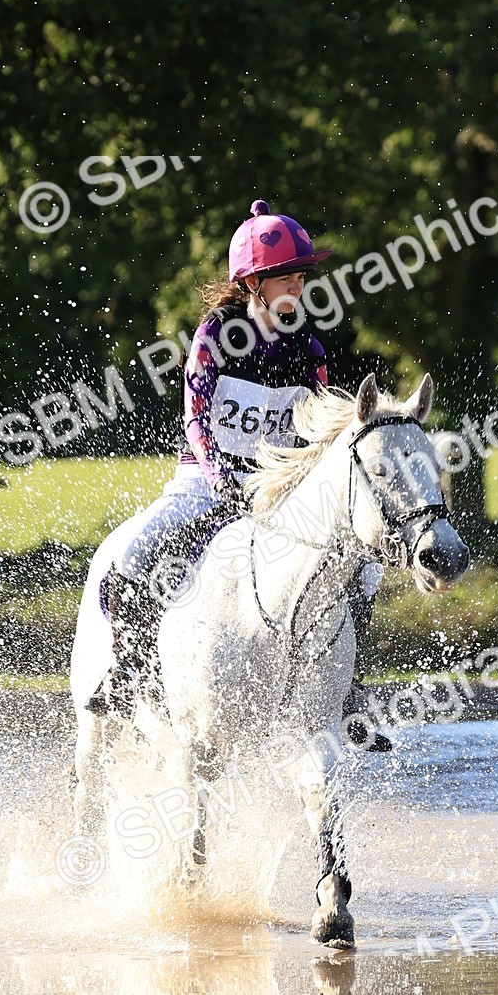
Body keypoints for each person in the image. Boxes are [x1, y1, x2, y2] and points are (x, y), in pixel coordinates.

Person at [89, 199, 390, 748]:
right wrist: (220, 477)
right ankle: (128, 674)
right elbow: (195, 419)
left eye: (300, 276)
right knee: (133, 560)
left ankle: (349, 696)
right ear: (253, 283)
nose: (297, 288)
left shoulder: (311, 351)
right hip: (205, 482)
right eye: (285, 277)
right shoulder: (214, 338)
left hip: (277, 492)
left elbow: (318, 435)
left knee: (364, 574)